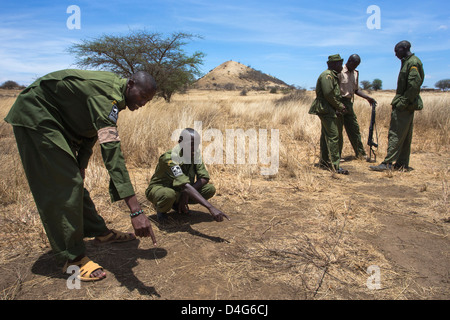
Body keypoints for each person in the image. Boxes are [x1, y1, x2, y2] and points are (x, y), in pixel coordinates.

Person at [4, 69, 158, 281]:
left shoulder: (116, 97)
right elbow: (112, 156)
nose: (143, 104)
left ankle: (100, 232)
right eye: (142, 97)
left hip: (58, 122)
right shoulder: (106, 98)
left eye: (147, 100)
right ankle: (72, 258)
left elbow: (89, 131)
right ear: (130, 84)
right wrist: (135, 211)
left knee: (73, 179)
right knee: (64, 185)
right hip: (37, 115)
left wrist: (82, 164)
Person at [145, 128, 230, 222]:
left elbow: (204, 177)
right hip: (161, 190)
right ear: (180, 142)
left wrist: (185, 193)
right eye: (191, 144)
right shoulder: (170, 158)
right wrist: (210, 207)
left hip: (181, 190)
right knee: (168, 195)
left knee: (209, 189)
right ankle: (161, 210)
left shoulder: (195, 153)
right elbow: (184, 184)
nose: (194, 148)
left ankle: (176, 204)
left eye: (197, 144)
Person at [370, 41, 424, 172]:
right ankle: (401, 163)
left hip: (404, 106)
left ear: (405, 48)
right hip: (406, 105)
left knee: (396, 133)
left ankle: (388, 163)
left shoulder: (412, 63)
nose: (395, 54)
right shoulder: (409, 62)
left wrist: (402, 102)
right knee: (405, 135)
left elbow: (414, 86)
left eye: (397, 51)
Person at [309, 54, 349, 174]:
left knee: (326, 135)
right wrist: (340, 106)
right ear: (332, 64)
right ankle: (335, 165)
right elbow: (328, 94)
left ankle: (324, 162)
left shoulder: (332, 76)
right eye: (339, 64)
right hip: (326, 109)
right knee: (333, 136)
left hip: (328, 109)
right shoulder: (327, 76)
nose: (341, 66)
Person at [338, 54, 377, 160]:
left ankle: (360, 153)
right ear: (349, 61)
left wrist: (367, 97)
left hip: (349, 103)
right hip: (338, 102)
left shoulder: (355, 73)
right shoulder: (339, 71)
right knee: (338, 130)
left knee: (354, 129)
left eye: (357, 65)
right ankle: (336, 156)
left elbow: (356, 90)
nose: (355, 67)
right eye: (354, 64)